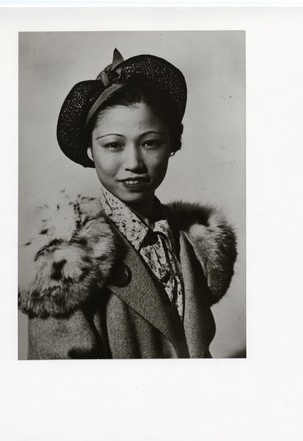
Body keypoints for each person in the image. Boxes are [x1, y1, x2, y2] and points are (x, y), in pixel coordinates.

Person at [18, 49, 237, 359]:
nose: (134, 162)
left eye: (150, 143)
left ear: (173, 143)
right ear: (91, 151)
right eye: (113, 145)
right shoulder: (65, 260)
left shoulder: (193, 242)